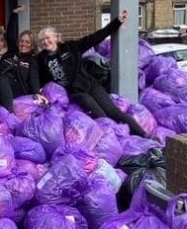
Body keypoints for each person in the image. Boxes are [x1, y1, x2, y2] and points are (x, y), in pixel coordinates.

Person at [36, 9, 150, 138]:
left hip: (90, 84)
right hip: (75, 92)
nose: (45, 42)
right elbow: (39, 78)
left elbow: (95, 37)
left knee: (112, 111)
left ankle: (144, 134)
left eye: (47, 38)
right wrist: (38, 93)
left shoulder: (71, 47)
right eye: (42, 40)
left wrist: (116, 22)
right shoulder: (41, 59)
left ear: (56, 37)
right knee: (101, 115)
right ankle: (118, 138)